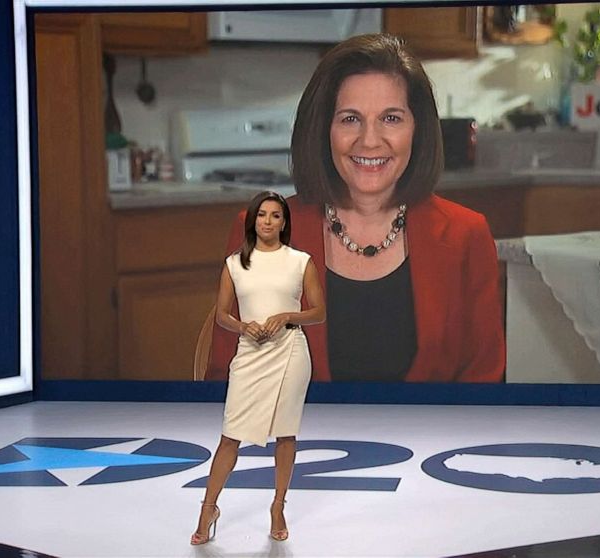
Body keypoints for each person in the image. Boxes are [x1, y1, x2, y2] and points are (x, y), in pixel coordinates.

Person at [206, 33, 504, 383]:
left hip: (434, 437)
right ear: (323, 130)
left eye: (391, 118)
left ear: (418, 130)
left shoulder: (465, 234)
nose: (370, 140)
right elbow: (228, 380)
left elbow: (484, 382)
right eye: (350, 119)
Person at [191, 191, 325, 545]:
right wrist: (242, 326)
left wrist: (286, 316)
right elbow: (222, 315)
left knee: (285, 433)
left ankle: (278, 505)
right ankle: (208, 508)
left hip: (289, 351)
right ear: (253, 220)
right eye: (262, 215)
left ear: (284, 222)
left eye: (276, 215)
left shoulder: (300, 261)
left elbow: (319, 312)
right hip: (249, 352)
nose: (268, 221)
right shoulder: (234, 264)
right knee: (230, 434)